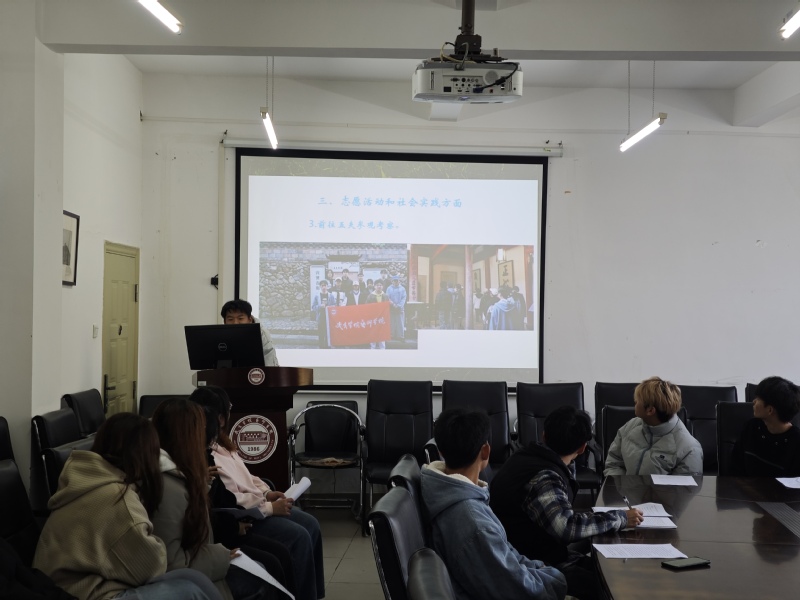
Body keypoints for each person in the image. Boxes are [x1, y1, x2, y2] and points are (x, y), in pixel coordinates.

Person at [33, 413, 223, 600]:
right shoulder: (118, 500)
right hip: (81, 594)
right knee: (189, 591)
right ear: (145, 454)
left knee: (191, 578)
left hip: (55, 585)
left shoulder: (87, 478)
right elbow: (152, 567)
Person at [491, 406, 643, 600]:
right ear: (582, 448)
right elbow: (566, 528)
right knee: (616, 585)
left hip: (524, 552)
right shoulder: (545, 477)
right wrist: (620, 518)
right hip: (532, 566)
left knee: (614, 570)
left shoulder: (527, 457)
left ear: (544, 435)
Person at [189, 387, 325, 600]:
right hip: (249, 516)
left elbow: (248, 477)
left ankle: (312, 594)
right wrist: (270, 507)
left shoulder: (222, 444)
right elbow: (234, 499)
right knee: (299, 536)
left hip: (261, 505)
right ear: (221, 419)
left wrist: (267, 492)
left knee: (311, 524)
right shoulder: (205, 454)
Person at [420, 408, 567, 600]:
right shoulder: (474, 524)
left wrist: (541, 569)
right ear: (485, 451)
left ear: (440, 450)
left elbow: (509, 559)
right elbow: (520, 590)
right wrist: (558, 579)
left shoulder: (445, 491)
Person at [151, 399, 277, 600]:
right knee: (259, 576)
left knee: (264, 565)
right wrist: (221, 556)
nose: (206, 437)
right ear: (187, 436)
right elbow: (173, 563)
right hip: (190, 578)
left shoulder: (182, 474)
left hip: (203, 562)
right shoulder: (167, 488)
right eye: (200, 429)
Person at [604, 376, 703, 476]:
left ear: (650, 410)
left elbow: (684, 485)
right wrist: (622, 484)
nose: (635, 401)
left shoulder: (689, 449)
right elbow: (613, 463)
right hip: (625, 486)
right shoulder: (630, 427)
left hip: (659, 488)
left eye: (638, 400)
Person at [732, 376, 800, 477]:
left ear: (770, 410)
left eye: (758, 399)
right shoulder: (751, 427)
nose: (754, 401)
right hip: (745, 487)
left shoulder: (796, 443)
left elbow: (795, 483)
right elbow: (735, 468)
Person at [221, 300, 279, 366]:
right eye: (230, 319)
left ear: (250, 319)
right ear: (225, 322)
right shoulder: (219, 334)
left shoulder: (262, 334)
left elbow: (270, 364)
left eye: (240, 318)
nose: (235, 323)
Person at [366, 280, 388, 349]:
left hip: (382, 318)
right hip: (373, 318)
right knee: (373, 333)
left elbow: (387, 307)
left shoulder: (385, 296)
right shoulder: (370, 296)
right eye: (377, 285)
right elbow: (367, 306)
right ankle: (373, 348)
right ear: (374, 286)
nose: (379, 286)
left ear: (382, 286)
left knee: (382, 334)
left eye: (380, 285)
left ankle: (382, 349)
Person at [311, 280, 333, 348]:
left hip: (328, 317)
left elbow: (334, 305)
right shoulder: (317, 296)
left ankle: (327, 347)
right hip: (320, 317)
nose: (324, 287)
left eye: (325, 285)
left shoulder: (330, 295)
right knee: (321, 333)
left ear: (327, 286)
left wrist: (329, 307)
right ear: (320, 286)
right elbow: (313, 307)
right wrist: (319, 306)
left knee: (328, 333)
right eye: (322, 286)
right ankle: (321, 347)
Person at [386, 276, 407, 340]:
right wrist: (392, 304)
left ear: (399, 281)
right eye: (394, 281)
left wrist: (399, 305)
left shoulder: (402, 289)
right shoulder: (389, 288)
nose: (395, 282)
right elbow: (387, 297)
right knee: (391, 322)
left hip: (400, 308)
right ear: (392, 281)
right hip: (391, 308)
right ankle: (391, 335)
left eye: (397, 281)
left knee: (400, 322)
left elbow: (404, 298)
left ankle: (400, 336)